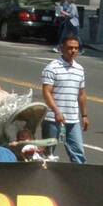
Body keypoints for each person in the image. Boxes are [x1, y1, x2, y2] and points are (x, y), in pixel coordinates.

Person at [40, 35, 87, 164]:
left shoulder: (79, 69)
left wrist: (84, 115)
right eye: (70, 48)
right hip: (52, 118)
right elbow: (46, 92)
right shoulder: (52, 68)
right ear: (62, 48)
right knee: (48, 154)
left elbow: (81, 94)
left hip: (73, 119)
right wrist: (56, 111)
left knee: (78, 154)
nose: (73, 51)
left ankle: (80, 181)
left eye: (76, 48)